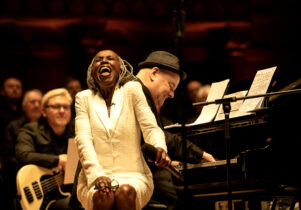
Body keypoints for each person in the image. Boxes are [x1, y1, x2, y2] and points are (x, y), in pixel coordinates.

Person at [74, 49, 170, 210]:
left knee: (125, 191)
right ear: (92, 71)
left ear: (121, 68)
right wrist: (96, 175)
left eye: (110, 58)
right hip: (95, 177)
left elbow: (150, 128)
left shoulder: (132, 90)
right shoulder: (83, 98)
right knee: (103, 194)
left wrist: (159, 147)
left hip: (134, 176)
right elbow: (83, 141)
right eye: (98, 60)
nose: (104, 61)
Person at [136, 50, 215, 210]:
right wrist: (198, 153)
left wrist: (172, 160)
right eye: (171, 86)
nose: (172, 94)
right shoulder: (135, 93)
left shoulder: (140, 95)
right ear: (154, 74)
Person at [15, 88, 75, 209]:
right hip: (38, 195)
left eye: (66, 107)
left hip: (66, 193)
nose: (62, 111)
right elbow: (23, 155)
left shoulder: (75, 134)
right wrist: (58, 160)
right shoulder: (31, 130)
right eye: (56, 106)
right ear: (43, 111)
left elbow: (72, 174)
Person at [2, 89, 43, 209]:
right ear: (24, 106)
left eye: (39, 102)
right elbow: (7, 157)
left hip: (45, 177)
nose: (36, 105)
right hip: (18, 176)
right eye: (32, 102)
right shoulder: (13, 126)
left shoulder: (48, 125)